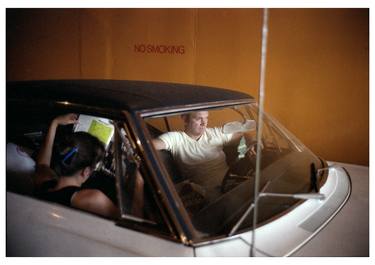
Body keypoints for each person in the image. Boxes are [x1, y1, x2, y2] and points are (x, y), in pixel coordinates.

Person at [34, 113, 119, 219]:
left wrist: (55, 122)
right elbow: (132, 227)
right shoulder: (92, 199)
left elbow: (42, 164)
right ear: (86, 171)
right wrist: (139, 184)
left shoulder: (45, 183)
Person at [152, 111, 248, 191]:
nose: (204, 123)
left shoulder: (214, 133)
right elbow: (149, 145)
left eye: (206, 118)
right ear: (185, 119)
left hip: (231, 182)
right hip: (207, 193)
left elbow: (244, 136)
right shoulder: (175, 138)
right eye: (199, 119)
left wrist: (248, 146)